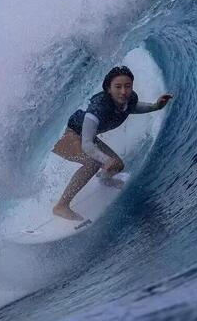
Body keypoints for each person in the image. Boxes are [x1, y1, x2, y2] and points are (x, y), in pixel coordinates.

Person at [51, 66, 173, 221]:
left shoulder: (128, 100)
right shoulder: (98, 108)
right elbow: (87, 145)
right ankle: (61, 206)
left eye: (127, 86)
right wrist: (105, 159)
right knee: (93, 163)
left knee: (117, 165)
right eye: (118, 87)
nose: (123, 91)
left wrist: (155, 106)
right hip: (65, 134)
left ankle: (104, 179)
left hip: (84, 135)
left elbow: (133, 108)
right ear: (108, 89)